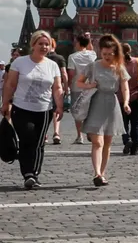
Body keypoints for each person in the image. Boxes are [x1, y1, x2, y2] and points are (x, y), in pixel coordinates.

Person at [1, 31, 64, 189]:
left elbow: (57, 88)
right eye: (40, 43)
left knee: (38, 143)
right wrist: (5, 104)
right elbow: (10, 84)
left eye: (46, 44)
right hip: (21, 108)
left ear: (50, 47)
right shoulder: (20, 63)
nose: (44, 47)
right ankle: (27, 173)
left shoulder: (52, 65)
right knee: (27, 138)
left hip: (43, 110)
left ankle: (33, 174)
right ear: (33, 45)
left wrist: (60, 106)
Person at [76, 34, 130, 186]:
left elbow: (124, 87)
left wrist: (126, 102)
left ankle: (102, 173)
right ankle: (97, 173)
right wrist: (89, 86)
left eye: (110, 54)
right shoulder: (93, 66)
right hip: (95, 103)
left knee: (107, 142)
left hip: (111, 105)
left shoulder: (119, 68)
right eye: (104, 54)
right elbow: (79, 82)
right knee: (97, 142)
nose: (106, 57)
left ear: (115, 53)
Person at [66, 33, 97, 145]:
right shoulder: (92, 54)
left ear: (78, 43)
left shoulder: (72, 57)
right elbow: (91, 49)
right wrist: (89, 39)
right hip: (91, 87)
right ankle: (89, 131)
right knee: (90, 110)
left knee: (77, 111)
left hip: (77, 87)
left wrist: (68, 85)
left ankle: (80, 136)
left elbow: (71, 73)